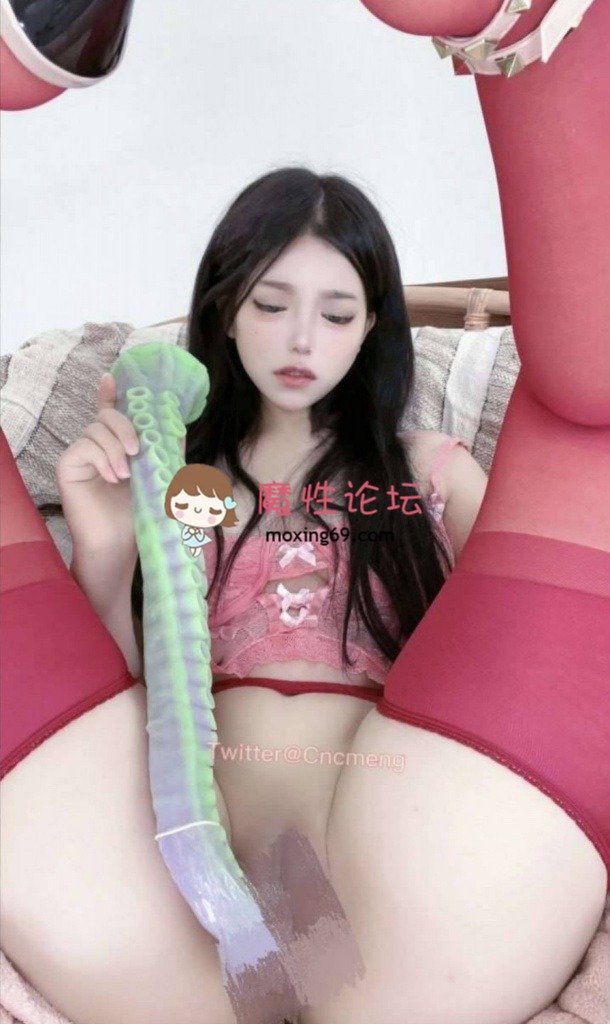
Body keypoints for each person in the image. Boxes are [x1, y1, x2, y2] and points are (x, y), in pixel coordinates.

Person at [1, 165, 487, 1024]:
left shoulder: (430, 473)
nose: (302, 339)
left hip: (391, 829)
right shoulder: (185, 482)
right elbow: (119, 696)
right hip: (199, 848)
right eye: (270, 304)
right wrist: (106, 545)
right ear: (225, 310)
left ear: (371, 326)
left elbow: (525, 656)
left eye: (336, 314)